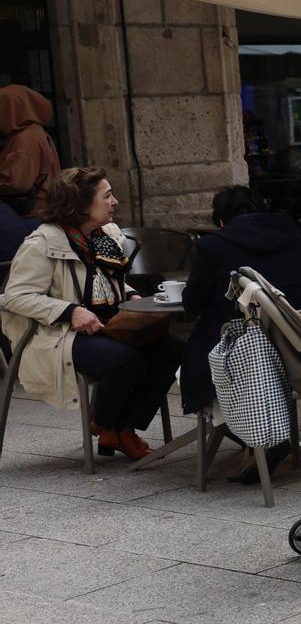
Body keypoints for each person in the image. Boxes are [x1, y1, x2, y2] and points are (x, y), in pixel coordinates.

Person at [2, 167, 182, 460]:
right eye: (107, 196)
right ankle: (110, 426)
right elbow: (17, 297)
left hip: (109, 323)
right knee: (125, 360)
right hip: (60, 333)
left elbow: (106, 278)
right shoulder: (42, 244)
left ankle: (121, 427)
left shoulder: (105, 234)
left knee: (173, 348)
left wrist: (132, 295)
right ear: (80, 204)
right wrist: (70, 311)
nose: (115, 202)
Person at [180, 185, 301, 424]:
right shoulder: (294, 234)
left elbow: (193, 303)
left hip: (248, 352)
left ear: (222, 220)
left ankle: (245, 431)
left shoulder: (213, 246)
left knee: (196, 352)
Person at [0, 84, 60, 215]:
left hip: (31, 213)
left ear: (12, 110)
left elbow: (18, 183)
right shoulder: (34, 131)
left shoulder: (25, 138)